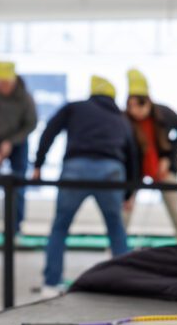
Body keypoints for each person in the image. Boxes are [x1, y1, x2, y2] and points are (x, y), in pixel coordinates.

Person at [33, 75, 140, 298]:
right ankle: (126, 283)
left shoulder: (75, 108)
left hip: (76, 169)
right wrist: (129, 193)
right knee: (116, 228)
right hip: (112, 171)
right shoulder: (121, 119)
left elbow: (49, 131)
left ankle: (51, 284)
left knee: (60, 226)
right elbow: (133, 156)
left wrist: (38, 164)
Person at [124, 68, 177, 242]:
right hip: (135, 172)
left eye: (139, 104)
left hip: (164, 170)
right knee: (124, 211)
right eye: (131, 105)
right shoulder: (125, 120)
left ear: (148, 102)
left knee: (175, 211)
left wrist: (168, 158)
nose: (136, 110)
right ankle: (116, 253)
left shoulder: (163, 114)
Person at [0, 60, 37, 235]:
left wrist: (11, 142)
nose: (2, 88)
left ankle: (15, 226)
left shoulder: (25, 97)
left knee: (18, 184)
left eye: (5, 84)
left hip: (18, 143)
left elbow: (31, 124)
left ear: (13, 82)